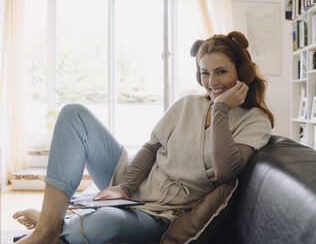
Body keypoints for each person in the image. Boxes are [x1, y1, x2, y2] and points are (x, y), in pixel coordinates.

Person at [13, 31, 274, 244]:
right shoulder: (187, 104)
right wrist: (124, 187)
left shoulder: (255, 121)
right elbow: (151, 148)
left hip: (161, 213)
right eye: (205, 73)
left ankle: (56, 225)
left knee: (105, 222)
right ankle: (48, 228)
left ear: (243, 72)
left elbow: (226, 172)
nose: (211, 82)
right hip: (135, 186)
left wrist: (220, 110)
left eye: (221, 72)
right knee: (74, 114)